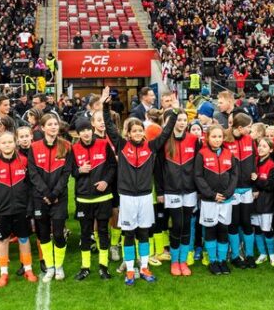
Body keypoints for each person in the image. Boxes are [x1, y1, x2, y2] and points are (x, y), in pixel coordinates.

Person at [101, 86, 177, 286]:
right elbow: (109, 127)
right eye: (133, 130)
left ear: (144, 132)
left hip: (144, 197)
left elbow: (167, 130)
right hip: (126, 197)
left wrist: (175, 111)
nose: (137, 133)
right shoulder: (122, 145)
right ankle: (130, 268)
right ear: (127, 132)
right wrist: (104, 106)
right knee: (128, 233)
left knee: (143, 233)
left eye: (139, 130)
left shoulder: (151, 146)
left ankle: (144, 266)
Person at [71, 117, 117, 281]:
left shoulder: (103, 144)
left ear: (92, 129)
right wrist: (80, 170)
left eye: (88, 129)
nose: (86, 133)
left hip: (103, 197)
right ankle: (85, 267)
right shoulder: (74, 149)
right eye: (82, 131)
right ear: (78, 134)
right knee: (85, 233)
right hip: (83, 199)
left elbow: (113, 166)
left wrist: (106, 181)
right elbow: (71, 172)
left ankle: (103, 267)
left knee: (103, 231)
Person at [0, 131, 36, 287]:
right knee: (3, 240)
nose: (7, 145)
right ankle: (4, 273)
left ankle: (28, 269)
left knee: (24, 238)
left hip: (22, 210)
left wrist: (29, 207)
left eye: (10, 142)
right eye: (4, 142)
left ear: (15, 143)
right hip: (2, 211)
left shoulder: (24, 162)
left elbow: (30, 188)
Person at [29, 113, 72, 282]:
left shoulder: (66, 146)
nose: (53, 127)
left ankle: (59, 266)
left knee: (59, 233)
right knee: (44, 234)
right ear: (42, 127)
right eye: (50, 124)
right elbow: (33, 173)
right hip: (40, 197)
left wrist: (54, 193)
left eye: (56, 124)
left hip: (59, 198)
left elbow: (66, 173)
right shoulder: (34, 147)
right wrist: (46, 193)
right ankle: (50, 267)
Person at [159, 110, 198, 276]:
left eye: (184, 120)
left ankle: (183, 261)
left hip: (190, 190)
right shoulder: (165, 141)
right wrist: (160, 191)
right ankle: (174, 261)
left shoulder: (194, 140)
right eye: (179, 120)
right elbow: (158, 169)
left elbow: (199, 166)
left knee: (187, 224)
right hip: (172, 190)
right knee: (177, 224)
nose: (182, 123)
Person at [195, 124, 237, 276]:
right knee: (211, 230)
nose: (217, 139)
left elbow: (234, 175)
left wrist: (227, 193)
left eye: (220, 136)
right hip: (209, 200)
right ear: (207, 137)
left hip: (226, 200)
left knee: (223, 230)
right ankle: (213, 261)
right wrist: (211, 194)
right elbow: (198, 176)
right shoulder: (202, 154)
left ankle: (222, 261)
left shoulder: (229, 154)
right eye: (214, 136)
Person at [227, 112, 257, 268]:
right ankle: (235, 256)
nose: (250, 130)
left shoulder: (250, 140)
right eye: (249, 127)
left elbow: (255, 161)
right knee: (233, 223)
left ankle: (250, 255)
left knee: (246, 222)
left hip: (246, 189)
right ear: (239, 127)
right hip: (231, 190)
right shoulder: (225, 141)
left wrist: (255, 179)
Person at [251, 137, 274, 267]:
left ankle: (272, 255)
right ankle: (262, 253)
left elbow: (271, 185)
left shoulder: (272, 165)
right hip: (254, 202)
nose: (261, 148)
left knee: (267, 229)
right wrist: (255, 188)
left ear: (271, 149)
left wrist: (258, 180)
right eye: (260, 146)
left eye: (264, 146)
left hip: (266, 203)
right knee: (257, 229)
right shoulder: (254, 161)